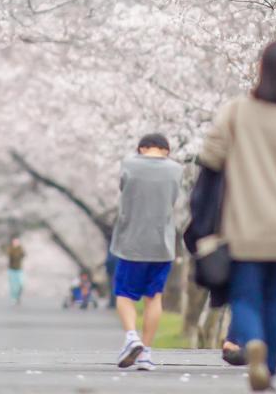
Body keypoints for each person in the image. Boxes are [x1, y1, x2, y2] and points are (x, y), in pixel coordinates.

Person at [199, 41, 276, 392]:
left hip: (242, 225)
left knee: (244, 296)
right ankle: (268, 368)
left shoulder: (237, 111)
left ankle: (251, 340)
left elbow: (210, 158)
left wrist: (202, 215)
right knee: (275, 298)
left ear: (260, 70)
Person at [110, 132, 182, 372]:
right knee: (155, 296)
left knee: (124, 294)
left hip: (131, 241)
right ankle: (146, 354)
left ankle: (132, 336)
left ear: (141, 148)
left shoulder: (129, 164)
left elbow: (124, 187)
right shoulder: (176, 169)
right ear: (166, 150)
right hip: (162, 243)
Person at [5, 237, 26, 305]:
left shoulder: (20, 249)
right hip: (12, 269)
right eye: (14, 242)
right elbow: (9, 255)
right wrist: (13, 248)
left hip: (19, 269)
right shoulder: (10, 249)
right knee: (13, 285)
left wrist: (19, 248)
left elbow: (23, 255)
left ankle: (18, 296)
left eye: (17, 242)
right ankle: (14, 297)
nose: (16, 243)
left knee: (21, 283)